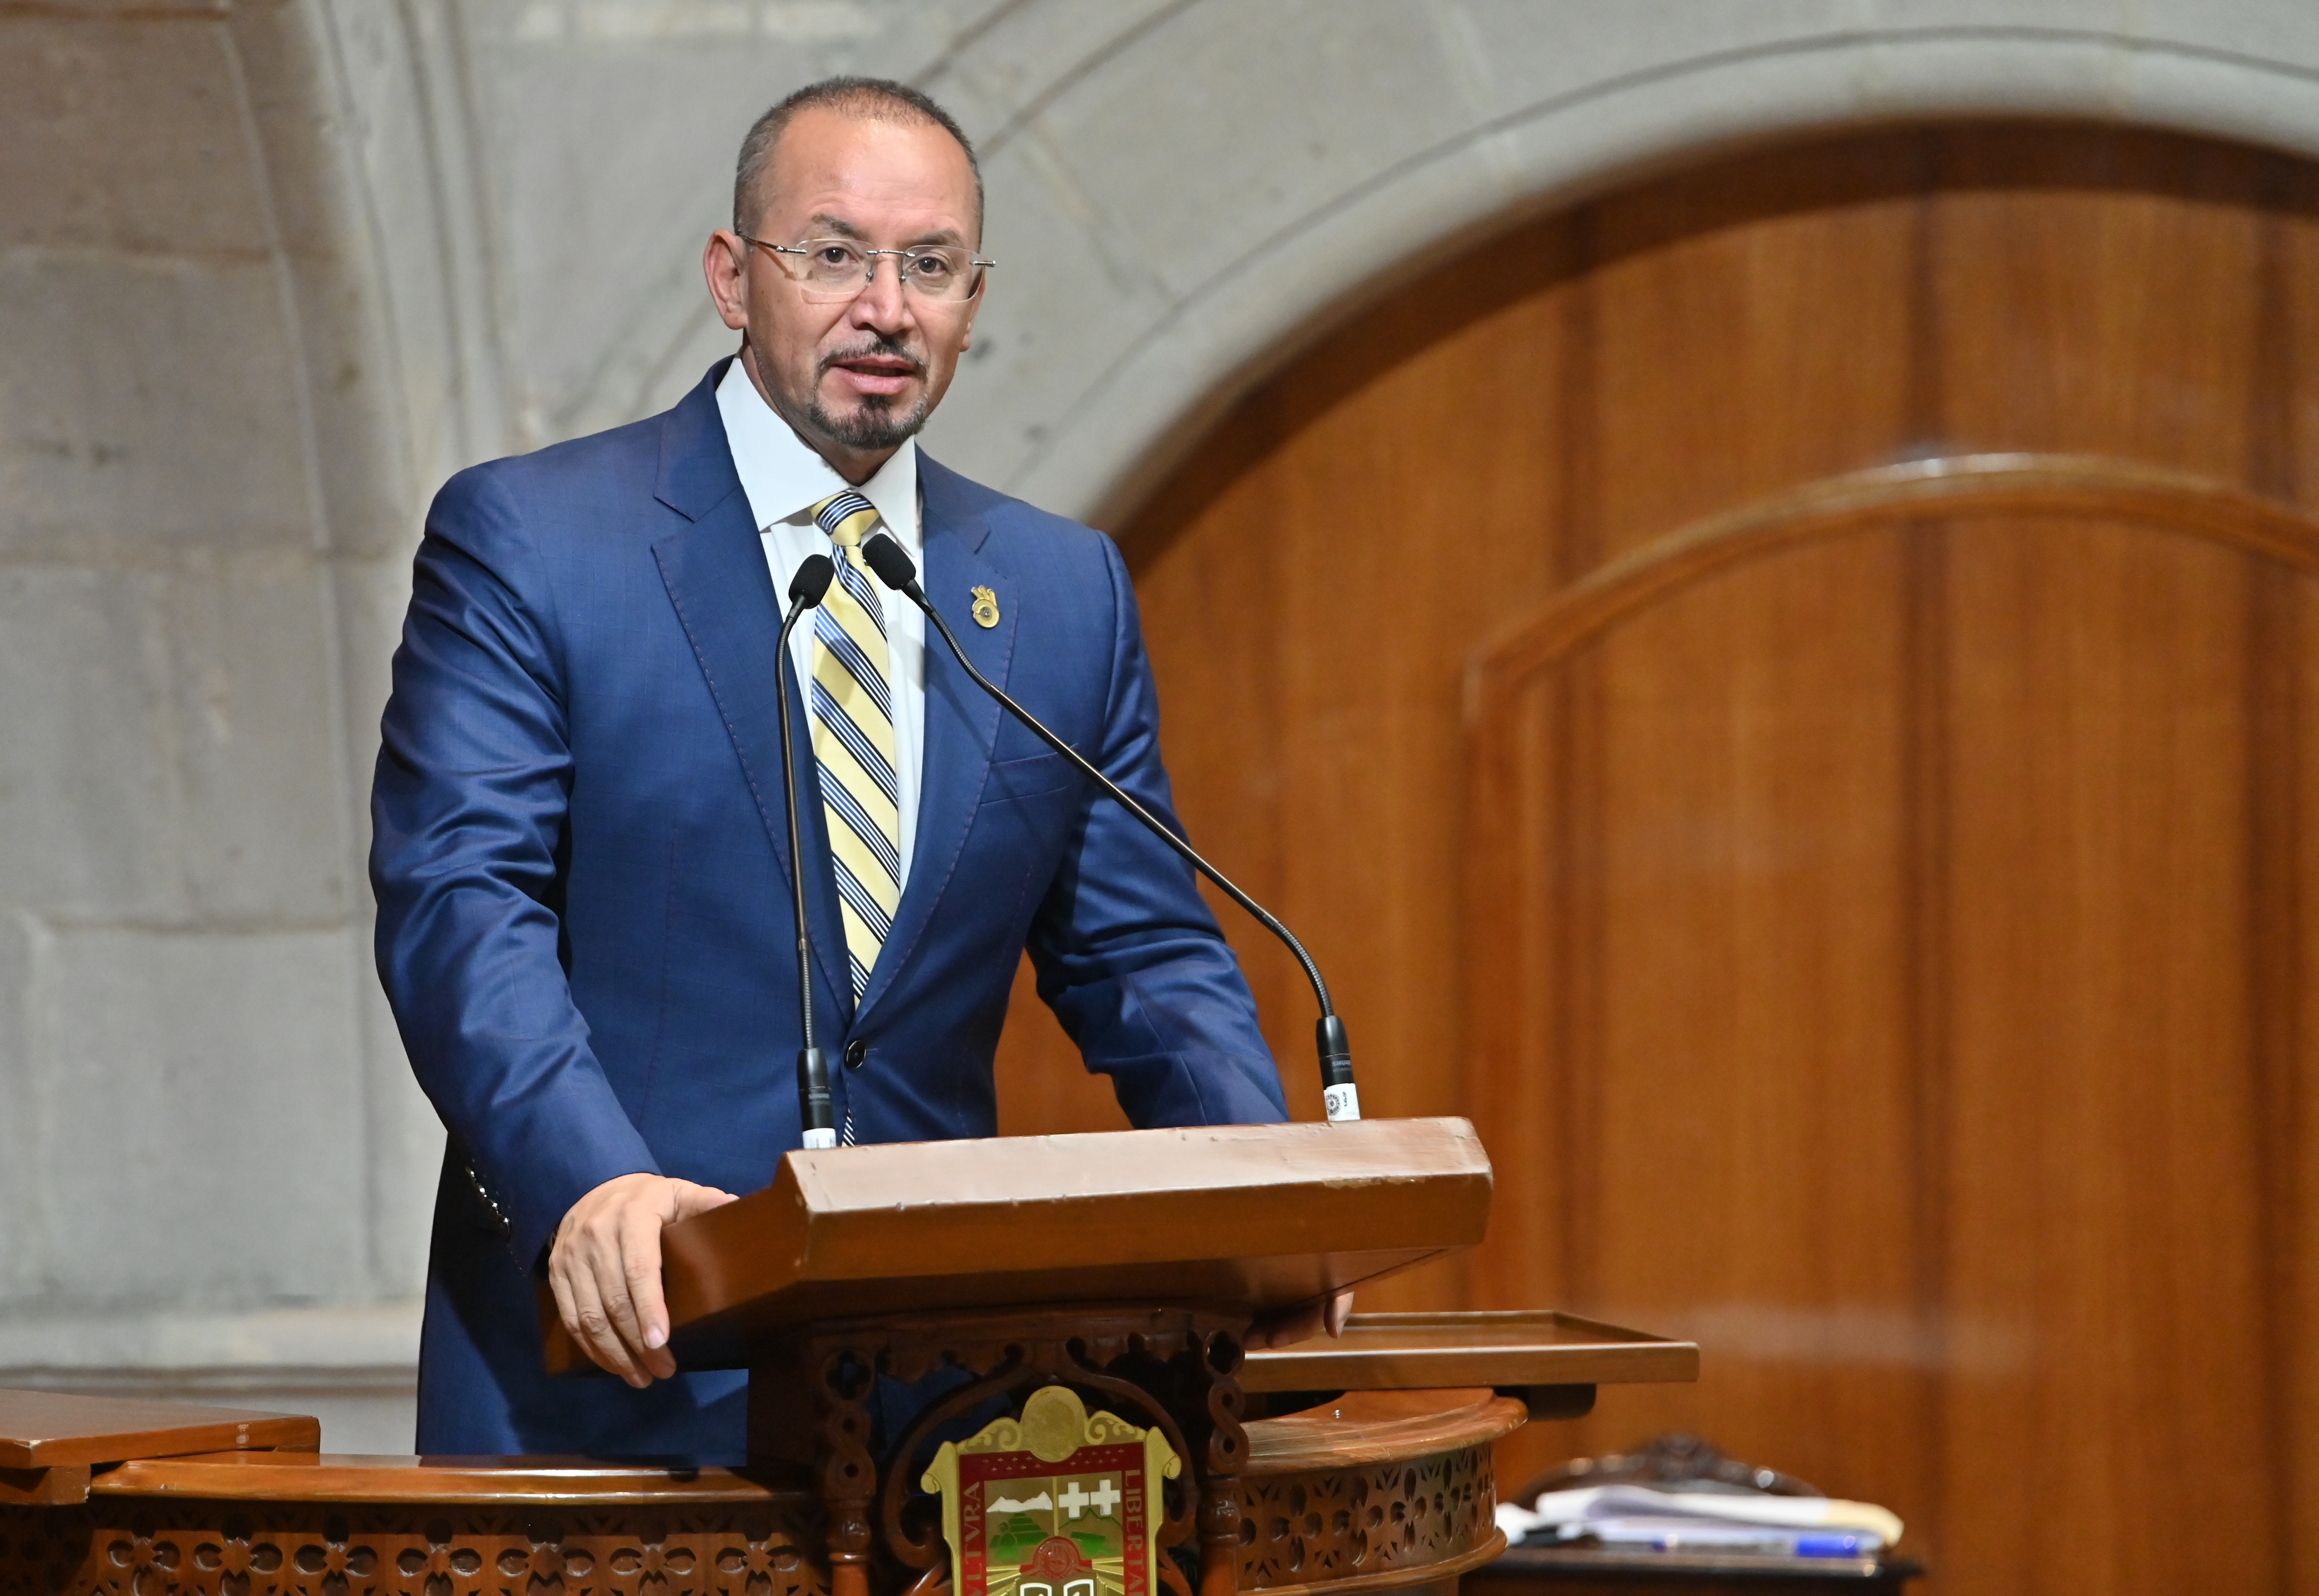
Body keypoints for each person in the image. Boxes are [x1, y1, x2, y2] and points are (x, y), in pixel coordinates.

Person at [371, 77, 1315, 1461]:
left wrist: (1274, 1202)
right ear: (731, 278)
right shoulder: (535, 539)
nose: (886, 307)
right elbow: (461, 905)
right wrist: (591, 1186)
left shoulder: (1059, 591)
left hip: (945, 1409)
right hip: (614, 1363)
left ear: (973, 302)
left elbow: (1145, 956)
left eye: (930, 265)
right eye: (832, 254)